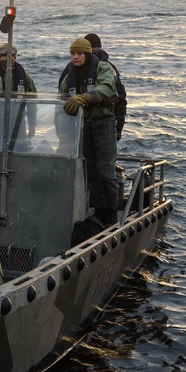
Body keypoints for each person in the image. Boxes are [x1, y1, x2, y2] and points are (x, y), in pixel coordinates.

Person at [57, 38, 120, 241]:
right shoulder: (69, 77)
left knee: (106, 171)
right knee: (90, 171)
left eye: (79, 54)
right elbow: (61, 102)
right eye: (72, 54)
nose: (75, 57)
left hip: (103, 124)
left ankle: (111, 213)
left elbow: (107, 88)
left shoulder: (103, 68)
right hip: (83, 126)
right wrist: (62, 132)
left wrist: (84, 98)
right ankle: (97, 210)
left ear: (87, 54)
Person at [85, 33, 127, 141]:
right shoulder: (76, 69)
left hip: (105, 121)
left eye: (94, 49)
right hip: (83, 122)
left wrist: (118, 127)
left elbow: (121, 98)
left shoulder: (110, 69)